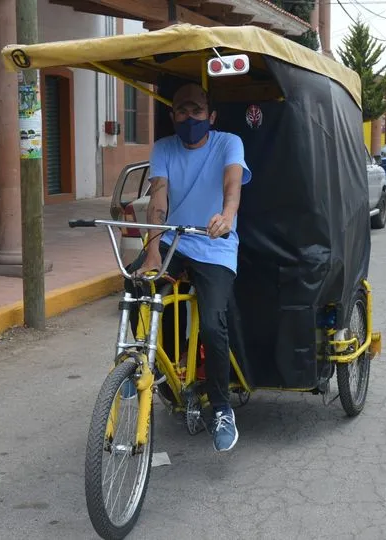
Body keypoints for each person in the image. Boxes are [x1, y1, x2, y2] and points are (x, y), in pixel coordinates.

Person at [125, 83, 251, 453]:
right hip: (174, 240)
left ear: (211, 116)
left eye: (197, 111)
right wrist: (151, 253)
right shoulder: (164, 148)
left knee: (214, 322)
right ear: (172, 116)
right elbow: (158, 197)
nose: (190, 117)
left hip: (215, 245)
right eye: (182, 110)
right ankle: (138, 366)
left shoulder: (228, 143)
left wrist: (227, 217)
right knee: (136, 287)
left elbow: (232, 185)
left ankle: (222, 407)